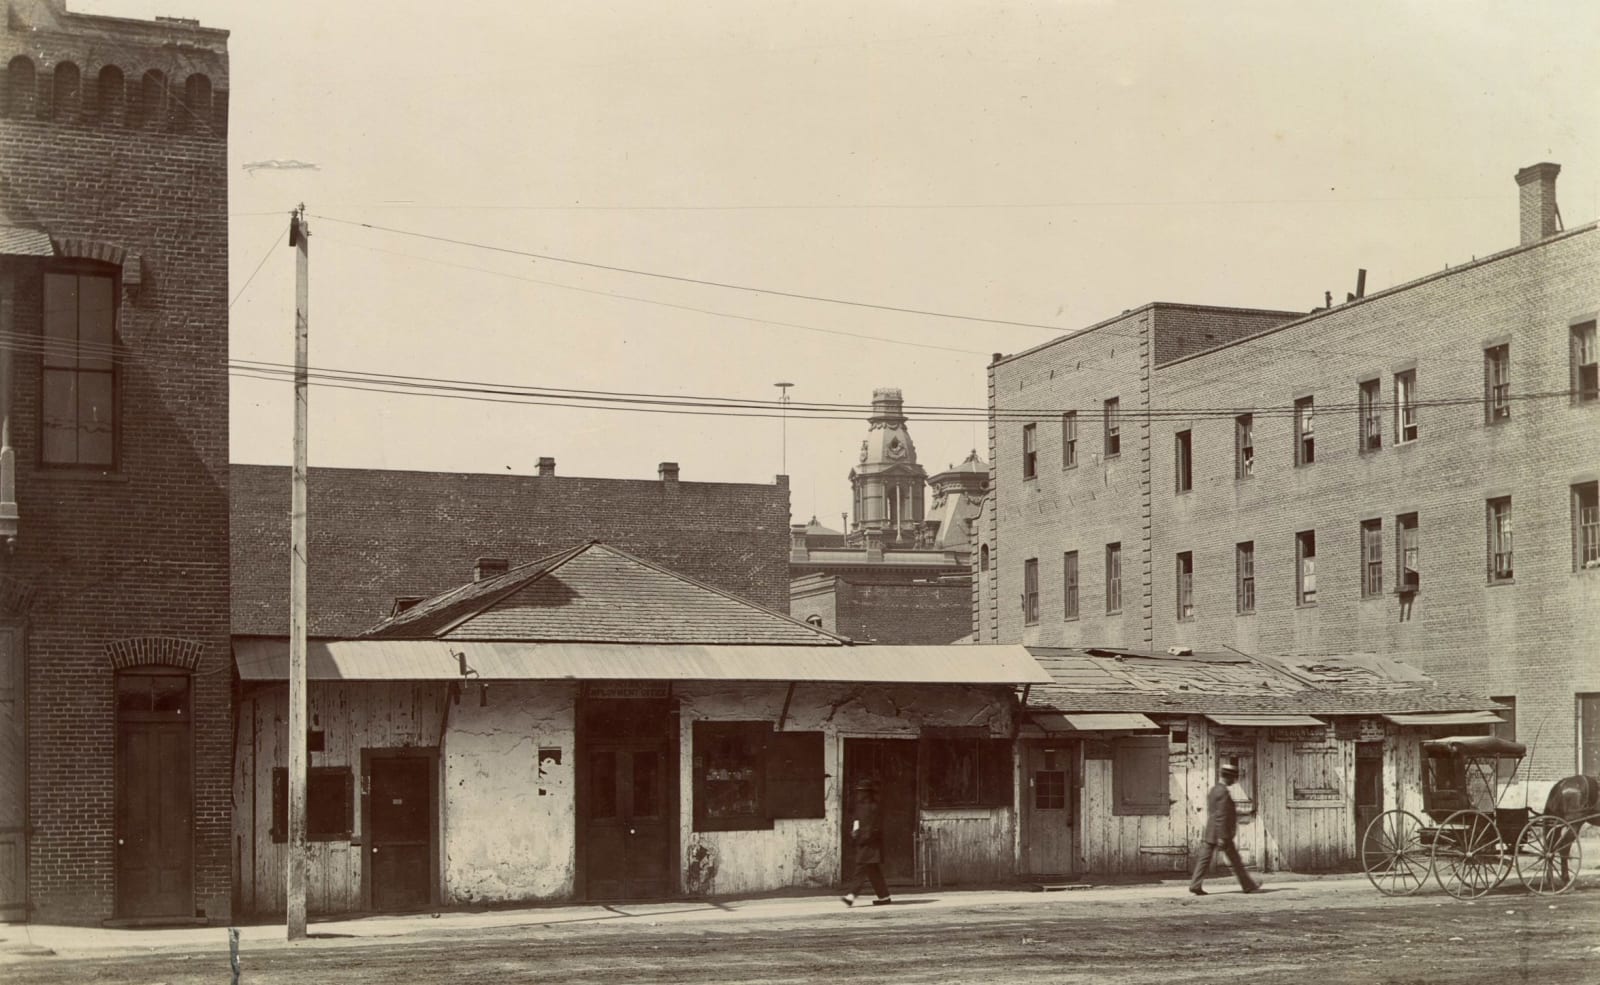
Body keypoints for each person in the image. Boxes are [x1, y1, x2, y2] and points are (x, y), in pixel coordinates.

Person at [1189, 762, 1262, 896]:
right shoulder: (1223, 792)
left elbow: (1218, 812)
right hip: (1221, 833)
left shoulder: (1214, 789)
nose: (1234, 781)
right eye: (1233, 778)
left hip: (1211, 832)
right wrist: (1222, 836)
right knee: (1235, 861)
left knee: (1204, 860)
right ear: (1228, 777)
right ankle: (1247, 885)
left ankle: (1195, 884)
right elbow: (1221, 816)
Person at [842, 778, 891, 906]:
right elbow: (857, 822)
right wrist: (855, 833)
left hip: (869, 842)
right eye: (859, 792)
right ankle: (884, 897)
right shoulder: (863, 807)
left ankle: (851, 896)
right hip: (866, 841)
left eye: (862, 792)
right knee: (873, 870)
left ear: (867, 793)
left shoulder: (872, 807)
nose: (860, 794)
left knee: (861, 868)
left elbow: (871, 826)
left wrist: (860, 837)